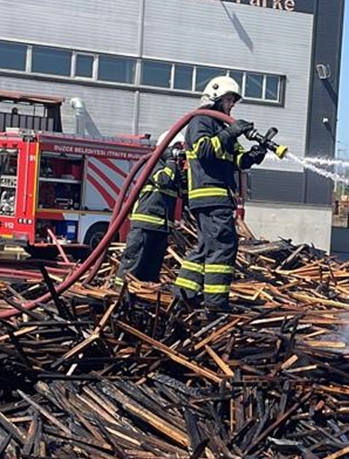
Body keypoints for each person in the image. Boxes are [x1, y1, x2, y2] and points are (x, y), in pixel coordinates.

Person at [172, 76, 268, 312]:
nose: (232, 105)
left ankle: (185, 294)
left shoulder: (221, 128)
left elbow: (237, 159)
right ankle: (215, 303)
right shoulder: (201, 121)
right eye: (228, 99)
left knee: (206, 247)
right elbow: (204, 150)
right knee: (223, 246)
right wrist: (232, 132)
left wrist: (255, 155)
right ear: (215, 97)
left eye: (233, 101)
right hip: (210, 195)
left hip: (216, 197)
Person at [115, 131, 185, 286]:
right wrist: (171, 161)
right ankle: (119, 295)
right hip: (145, 225)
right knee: (133, 263)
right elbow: (163, 180)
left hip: (162, 227)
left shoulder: (173, 169)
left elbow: (183, 192)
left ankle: (142, 298)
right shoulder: (154, 163)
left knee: (151, 269)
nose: (180, 153)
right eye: (178, 148)